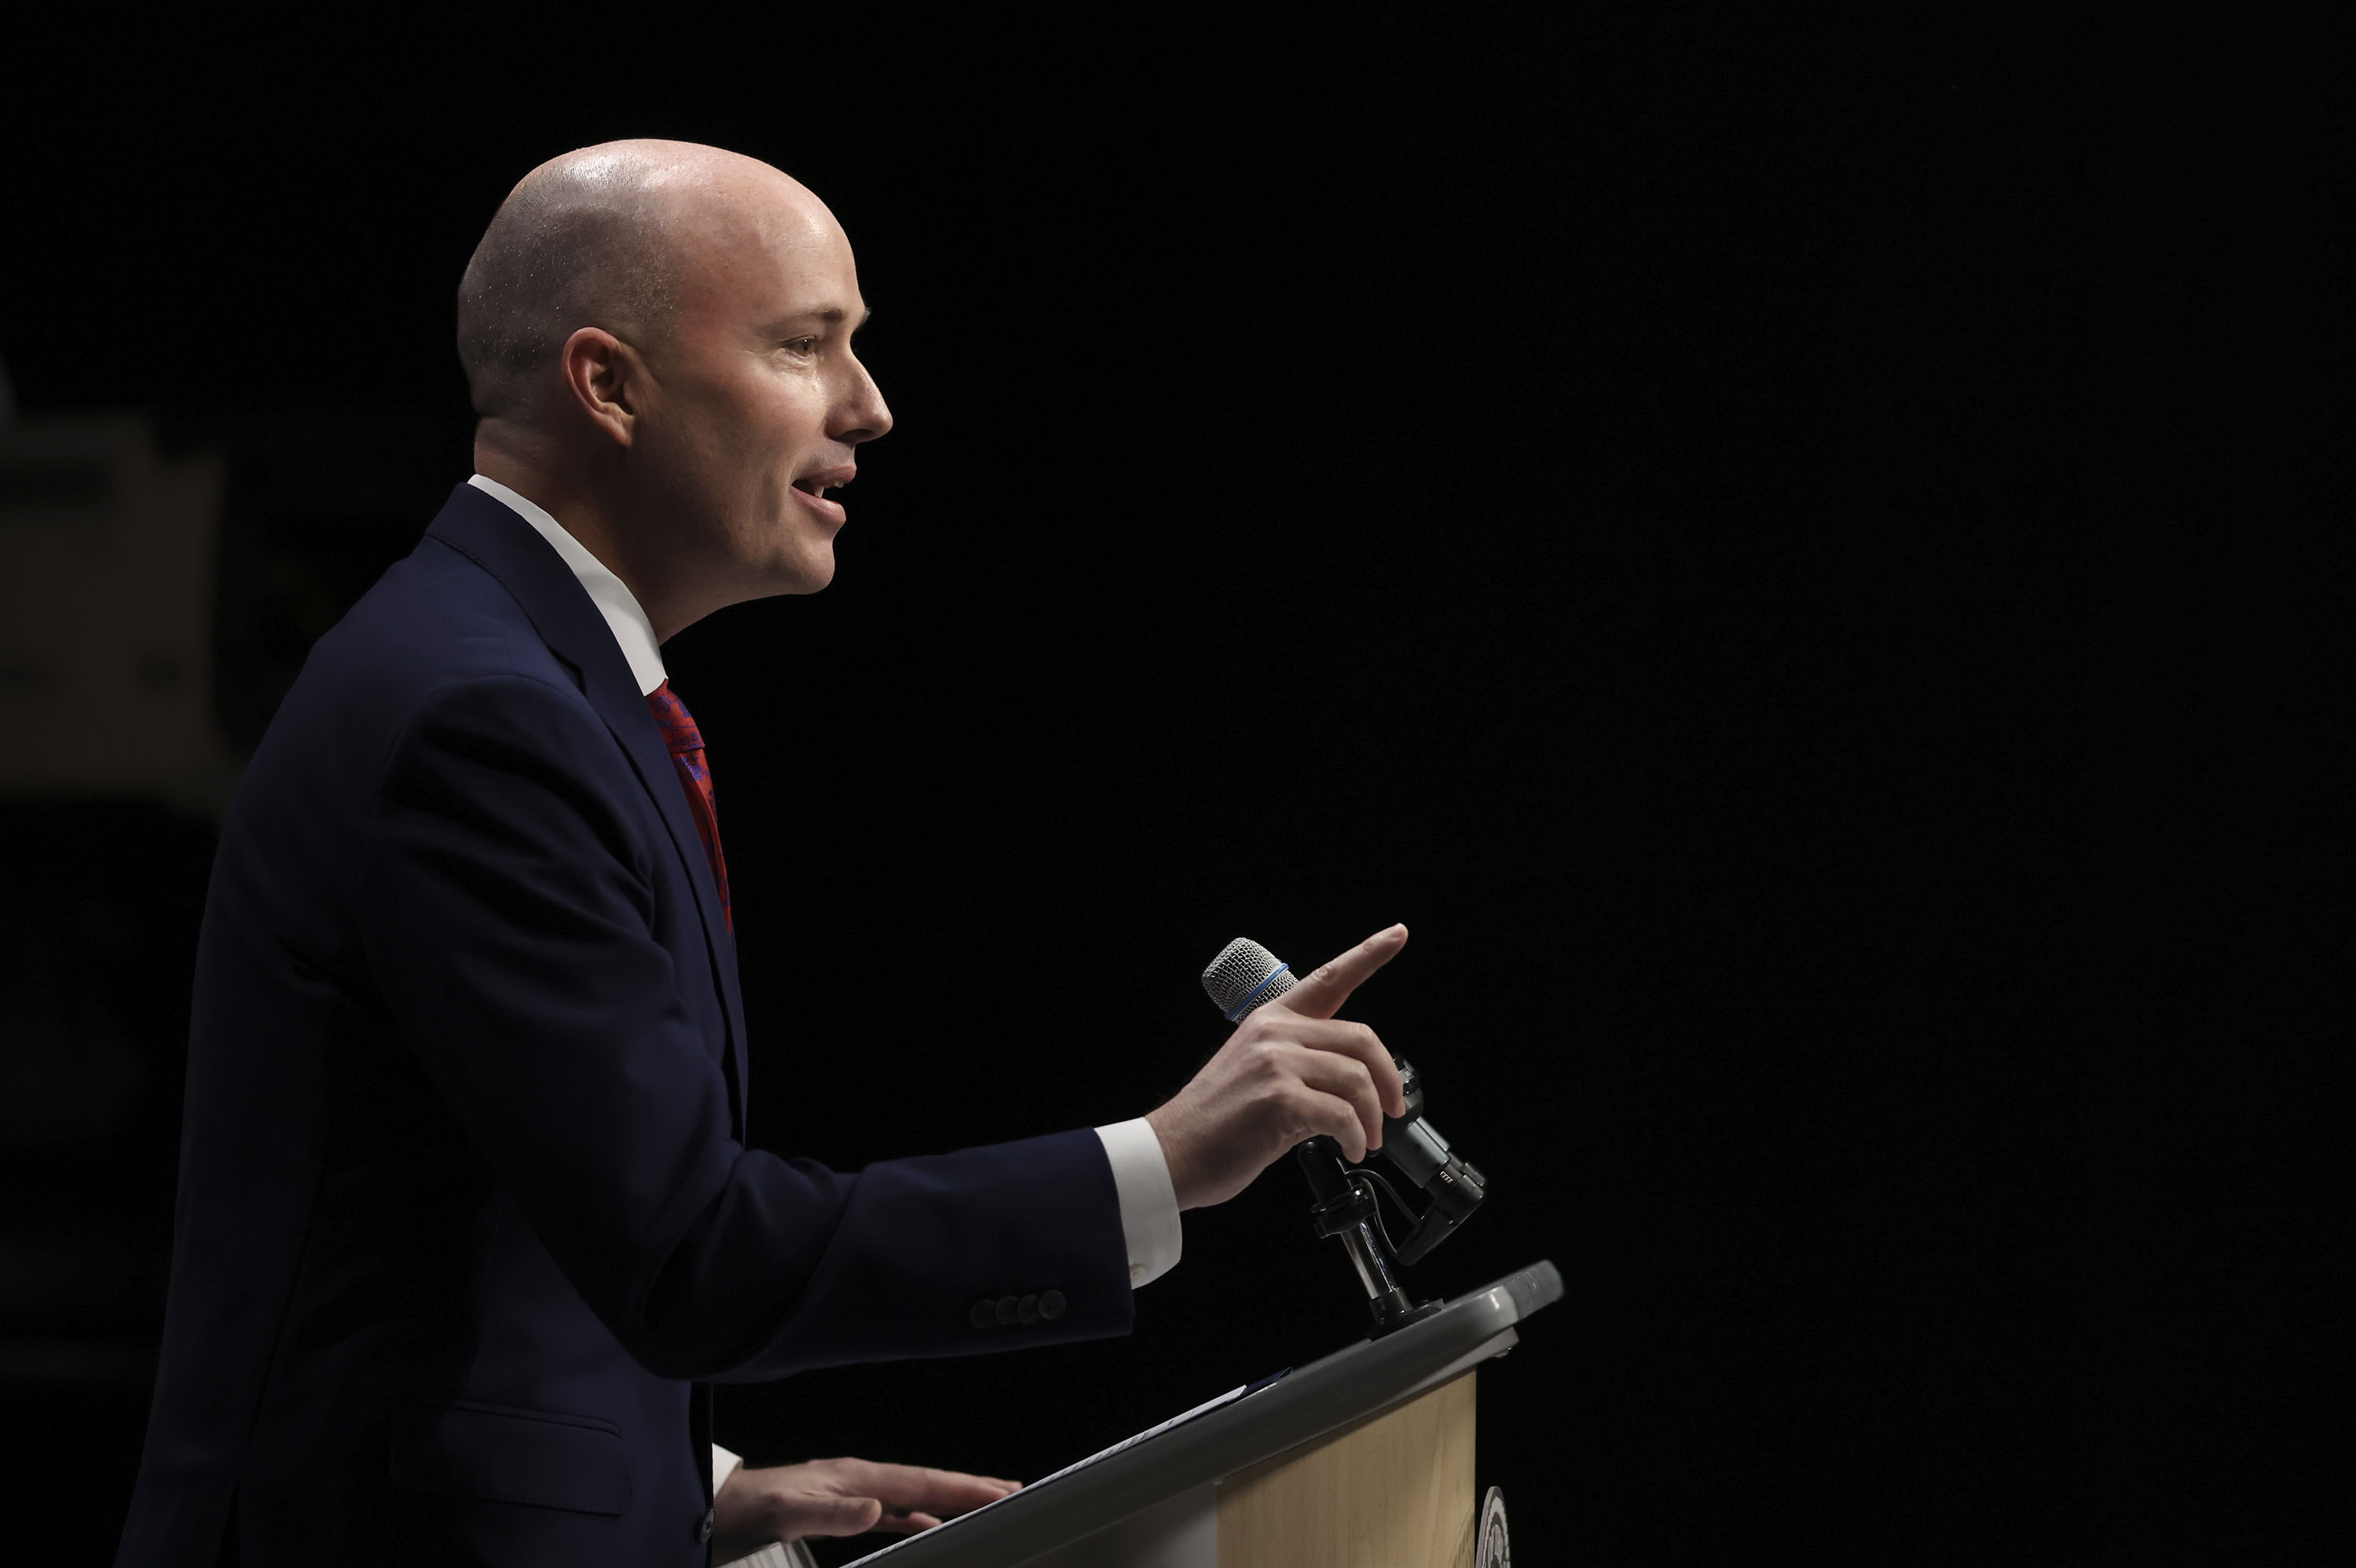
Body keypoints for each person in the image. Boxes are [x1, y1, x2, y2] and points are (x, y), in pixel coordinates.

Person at [115, 140, 1411, 1568]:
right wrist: (1159, 1165)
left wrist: (691, 1484)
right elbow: (688, 1253)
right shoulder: (478, 718)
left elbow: (478, 1233)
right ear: (607, 386)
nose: (870, 403)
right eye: (807, 346)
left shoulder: (531, 681)